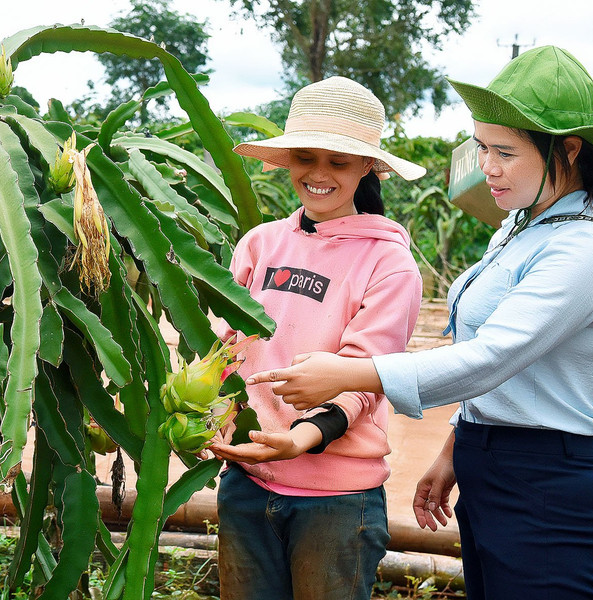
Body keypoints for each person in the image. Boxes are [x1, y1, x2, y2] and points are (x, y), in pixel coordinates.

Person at [243, 46, 593, 600]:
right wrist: (458, 447)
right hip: (491, 464)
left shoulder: (586, 247)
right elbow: (496, 368)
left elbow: (492, 356)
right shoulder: (519, 227)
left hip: (545, 483)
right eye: (481, 147)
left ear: (568, 149)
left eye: (504, 152)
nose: (488, 168)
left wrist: (352, 375)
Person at [208, 75, 426, 600]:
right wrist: (209, 411)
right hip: (246, 481)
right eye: (306, 157)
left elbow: (367, 374)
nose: (318, 174)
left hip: (337, 501)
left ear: (367, 166)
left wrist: (298, 440)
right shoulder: (259, 245)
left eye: (339, 162)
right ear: (287, 160)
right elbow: (222, 343)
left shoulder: (388, 263)